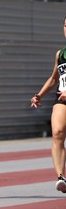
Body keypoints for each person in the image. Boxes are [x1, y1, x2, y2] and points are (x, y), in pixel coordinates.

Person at [31, 16, 66, 194]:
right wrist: (39, 95)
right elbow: (54, 78)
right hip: (62, 99)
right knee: (57, 133)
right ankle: (61, 177)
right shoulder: (60, 54)